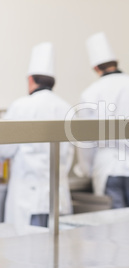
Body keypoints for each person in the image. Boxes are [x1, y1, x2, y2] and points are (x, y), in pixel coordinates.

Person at [0, 42, 74, 227]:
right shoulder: (66, 107)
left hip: (27, 196)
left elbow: (5, 148)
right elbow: (70, 154)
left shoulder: (21, 106)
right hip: (58, 196)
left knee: (27, 251)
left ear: (31, 80)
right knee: (57, 251)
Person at [77, 32, 129, 208]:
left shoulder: (91, 92)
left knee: (111, 228)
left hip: (107, 166)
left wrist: (86, 168)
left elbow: (85, 138)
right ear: (115, 63)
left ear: (95, 68)